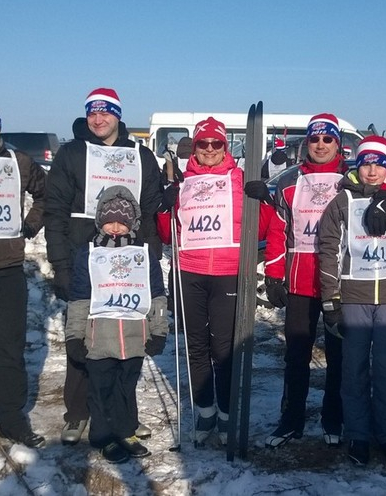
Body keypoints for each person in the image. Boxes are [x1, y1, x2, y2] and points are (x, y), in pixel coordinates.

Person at [257, 114, 386, 449]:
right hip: (301, 281)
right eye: (314, 139)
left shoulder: (352, 176)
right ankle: (291, 419)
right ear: (307, 143)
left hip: (341, 281)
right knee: (296, 355)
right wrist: (273, 274)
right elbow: (278, 231)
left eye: (327, 139)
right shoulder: (291, 181)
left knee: (339, 357)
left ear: (337, 143)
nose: (320, 145)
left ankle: (334, 417)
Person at [44, 88, 163, 445]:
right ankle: (78, 413)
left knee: (124, 338)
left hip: (126, 258)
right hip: (82, 257)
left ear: (117, 115)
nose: (98, 119)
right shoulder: (72, 152)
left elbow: (150, 207)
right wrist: (60, 263)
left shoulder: (140, 155)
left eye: (105, 112)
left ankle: (123, 415)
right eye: (92, 113)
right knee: (82, 336)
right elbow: (55, 209)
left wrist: (151, 256)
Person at [156, 116, 273, 446]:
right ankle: (205, 410)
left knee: (223, 348)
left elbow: (261, 229)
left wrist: (262, 199)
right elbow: (167, 234)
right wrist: (164, 208)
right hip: (190, 272)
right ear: (194, 148)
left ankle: (225, 412)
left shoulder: (239, 179)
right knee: (196, 346)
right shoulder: (183, 183)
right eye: (203, 144)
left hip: (226, 273)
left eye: (216, 143)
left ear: (225, 146)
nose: (209, 149)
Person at [319, 135, 386, 465]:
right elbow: (329, 251)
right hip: (354, 298)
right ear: (358, 166)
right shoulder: (342, 201)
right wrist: (330, 301)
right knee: (353, 372)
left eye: (379, 165)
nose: (373, 171)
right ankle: (359, 436)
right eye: (366, 163)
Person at [64, 185, 168, 463]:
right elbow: (79, 298)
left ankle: (125, 431)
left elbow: (157, 295)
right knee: (101, 389)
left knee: (126, 386)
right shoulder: (89, 254)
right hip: (99, 338)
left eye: (122, 222)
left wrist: (159, 331)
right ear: (100, 221)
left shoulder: (143, 255)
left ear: (132, 223)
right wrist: (74, 336)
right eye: (109, 221)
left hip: (134, 338)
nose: (115, 227)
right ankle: (103, 437)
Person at [0, 99, 46, 447]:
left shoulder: (18, 161)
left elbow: (46, 195)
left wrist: (30, 225)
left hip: (8, 271)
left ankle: (11, 420)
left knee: (9, 351)